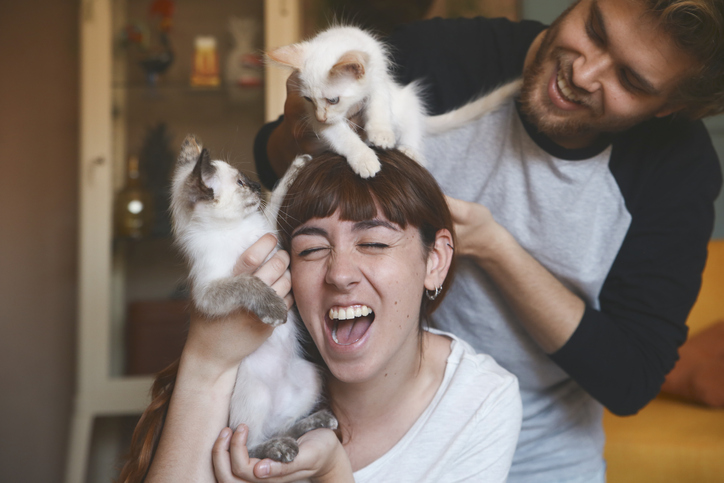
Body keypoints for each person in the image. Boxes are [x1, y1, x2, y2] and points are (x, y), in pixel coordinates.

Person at [252, 0, 724, 481]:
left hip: (538, 461)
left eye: (630, 80)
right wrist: (305, 130)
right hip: (365, 435)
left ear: (671, 107)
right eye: (596, 30)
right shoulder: (439, 56)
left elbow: (630, 380)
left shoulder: (678, 173)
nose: (585, 72)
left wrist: (495, 248)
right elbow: (277, 160)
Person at [124, 150, 522, 482]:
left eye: (373, 242)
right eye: (312, 250)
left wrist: (332, 470)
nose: (340, 274)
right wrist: (206, 360)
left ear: (434, 261)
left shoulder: (481, 401)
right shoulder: (245, 365)